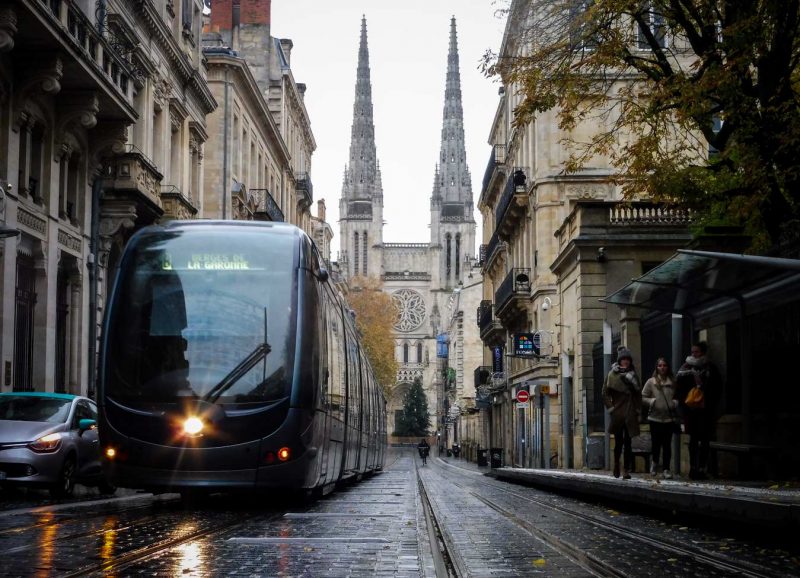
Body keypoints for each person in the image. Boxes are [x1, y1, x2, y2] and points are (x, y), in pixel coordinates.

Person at [676, 341, 722, 480]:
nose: (694, 354)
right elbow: (679, 390)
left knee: (705, 440)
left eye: (697, 352)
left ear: (703, 352)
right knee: (693, 440)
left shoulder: (710, 368)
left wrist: (709, 401)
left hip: (706, 411)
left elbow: (717, 388)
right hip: (691, 411)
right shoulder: (685, 369)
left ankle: (702, 467)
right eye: (693, 352)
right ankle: (693, 468)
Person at [602, 346, 642, 479]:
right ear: (619, 360)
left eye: (627, 359)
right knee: (619, 441)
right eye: (623, 359)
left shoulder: (633, 374)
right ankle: (616, 465)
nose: (625, 362)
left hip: (630, 411)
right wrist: (611, 408)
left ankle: (626, 469)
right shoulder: (612, 375)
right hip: (618, 411)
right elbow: (605, 393)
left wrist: (637, 409)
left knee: (628, 441)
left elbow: (638, 393)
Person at [641, 358, 679, 479]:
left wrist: (675, 403)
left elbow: (678, 395)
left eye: (664, 365)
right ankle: (655, 463)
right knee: (656, 444)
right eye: (660, 366)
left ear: (668, 367)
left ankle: (666, 469)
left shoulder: (673, 381)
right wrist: (652, 401)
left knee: (667, 444)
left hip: (669, 418)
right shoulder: (651, 382)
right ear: (656, 368)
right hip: (655, 418)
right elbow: (643, 397)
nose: (662, 368)